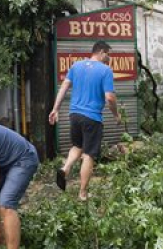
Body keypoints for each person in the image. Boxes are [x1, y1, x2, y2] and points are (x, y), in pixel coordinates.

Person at [48, 40, 121, 200]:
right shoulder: (105, 70)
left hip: (74, 115)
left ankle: (65, 168)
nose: (109, 58)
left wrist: (55, 109)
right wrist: (116, 115)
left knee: (77, 146)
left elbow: (64, 87)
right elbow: (109, 98)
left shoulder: (76, 66)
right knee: (88, 155)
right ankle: (82, 193)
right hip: (92, 118)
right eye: (108, 54)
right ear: (101, 52)